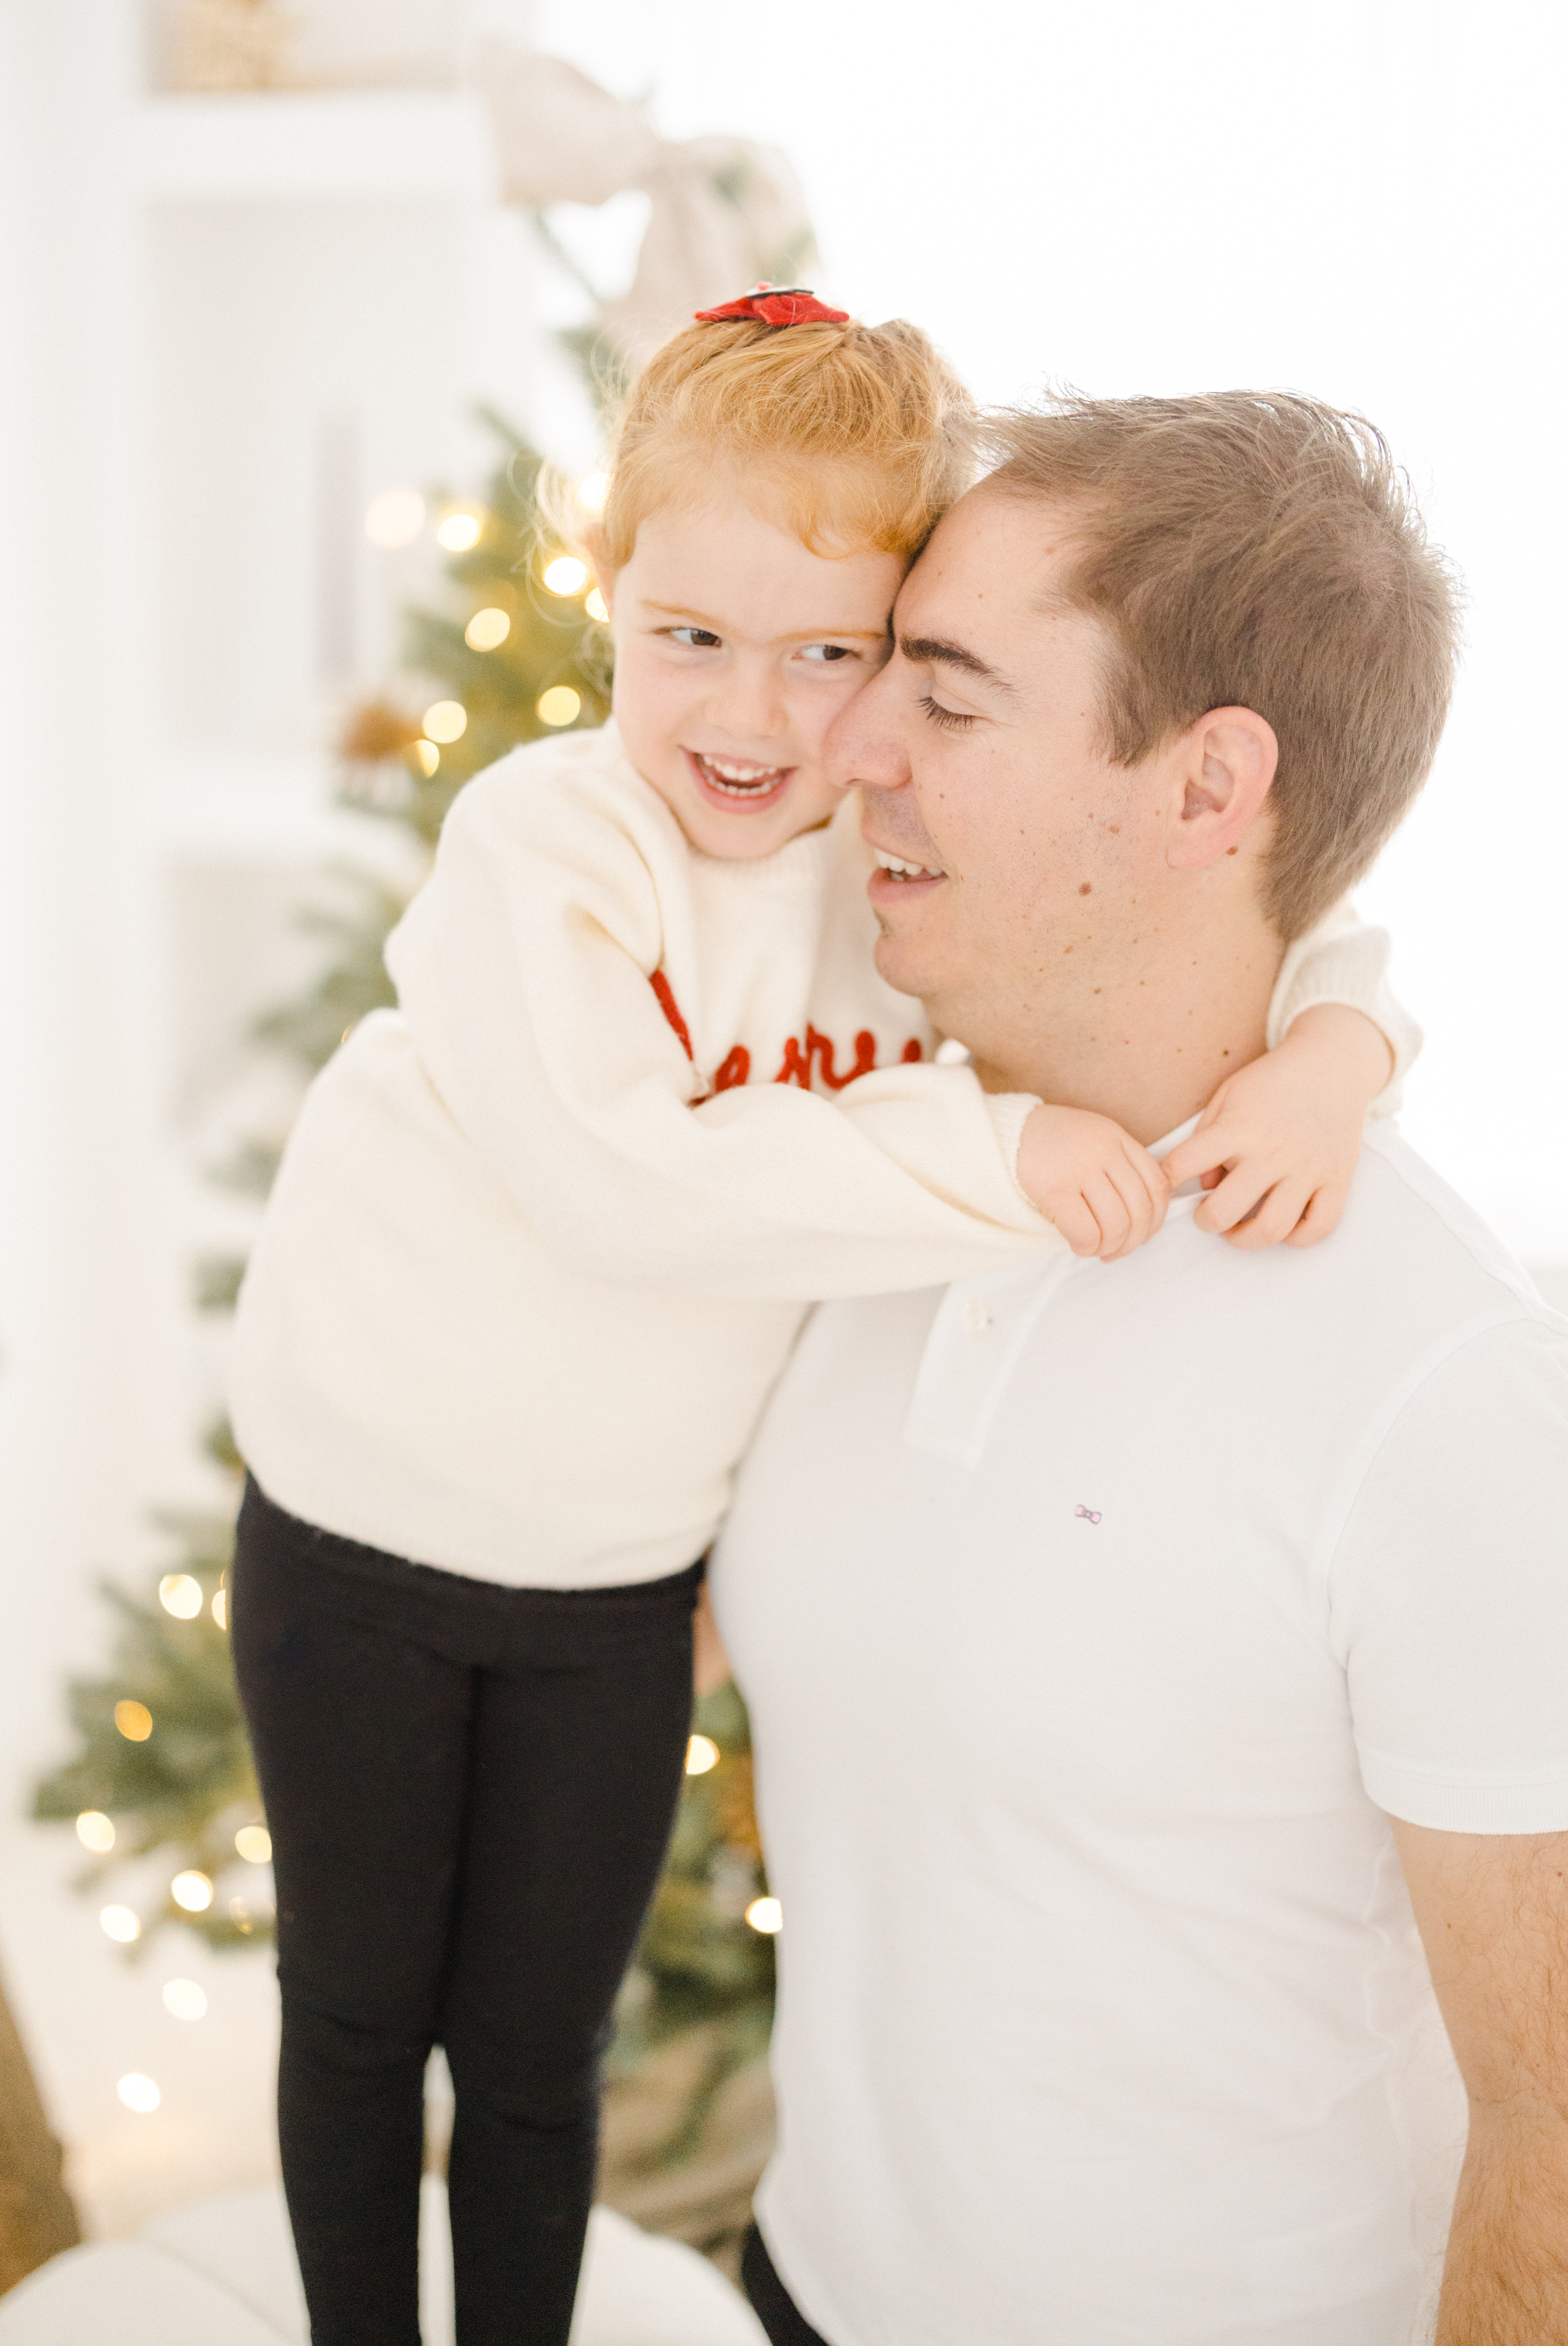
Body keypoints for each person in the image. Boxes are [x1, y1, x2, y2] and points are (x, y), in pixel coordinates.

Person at [227, 304, 1412, 2346]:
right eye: (687, 635)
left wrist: (1340, 1052)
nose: (750, 712)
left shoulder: (887, 868)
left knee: (535, 2053)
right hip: (361, 1535)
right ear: (606, 592)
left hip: (616, 1589)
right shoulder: (546, 846)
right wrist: (997, 1154)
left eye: (831, 653)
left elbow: (1250, 898)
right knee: (352, 2019)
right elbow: (619, 1184)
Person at [712, 389, 1568, 2346]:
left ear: (1206, 791)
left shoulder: (1445, 1387)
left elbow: (1555, 2125)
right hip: (805, 2291)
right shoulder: (864, 1164)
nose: (853, 746)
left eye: (948, 699)